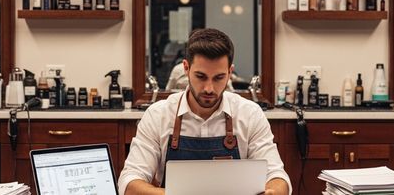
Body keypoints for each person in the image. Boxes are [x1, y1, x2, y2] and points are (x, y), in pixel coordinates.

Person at [119, 28, 291, 195]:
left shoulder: (250, 114)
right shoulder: (158, 115)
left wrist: (274, 191)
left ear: (230, 72)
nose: (209, 88)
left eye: (219, 78)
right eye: (201, 76)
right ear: (186, 68)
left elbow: (277, 176)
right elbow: (129, 182)